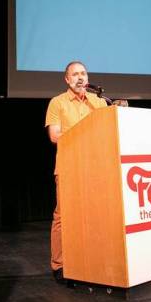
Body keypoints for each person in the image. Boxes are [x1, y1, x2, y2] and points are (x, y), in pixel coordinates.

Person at [44, 61, 107, 284]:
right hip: (68, 167)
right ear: (67, 79)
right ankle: (59, 265)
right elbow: (54, 135)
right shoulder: (57, 102)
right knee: (63, 216)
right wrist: (84, 135)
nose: (80, 77)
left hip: (97, 168)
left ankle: (92, 259)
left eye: (83, 73)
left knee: (96, 214)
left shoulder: (99, 102)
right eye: (75, 74)